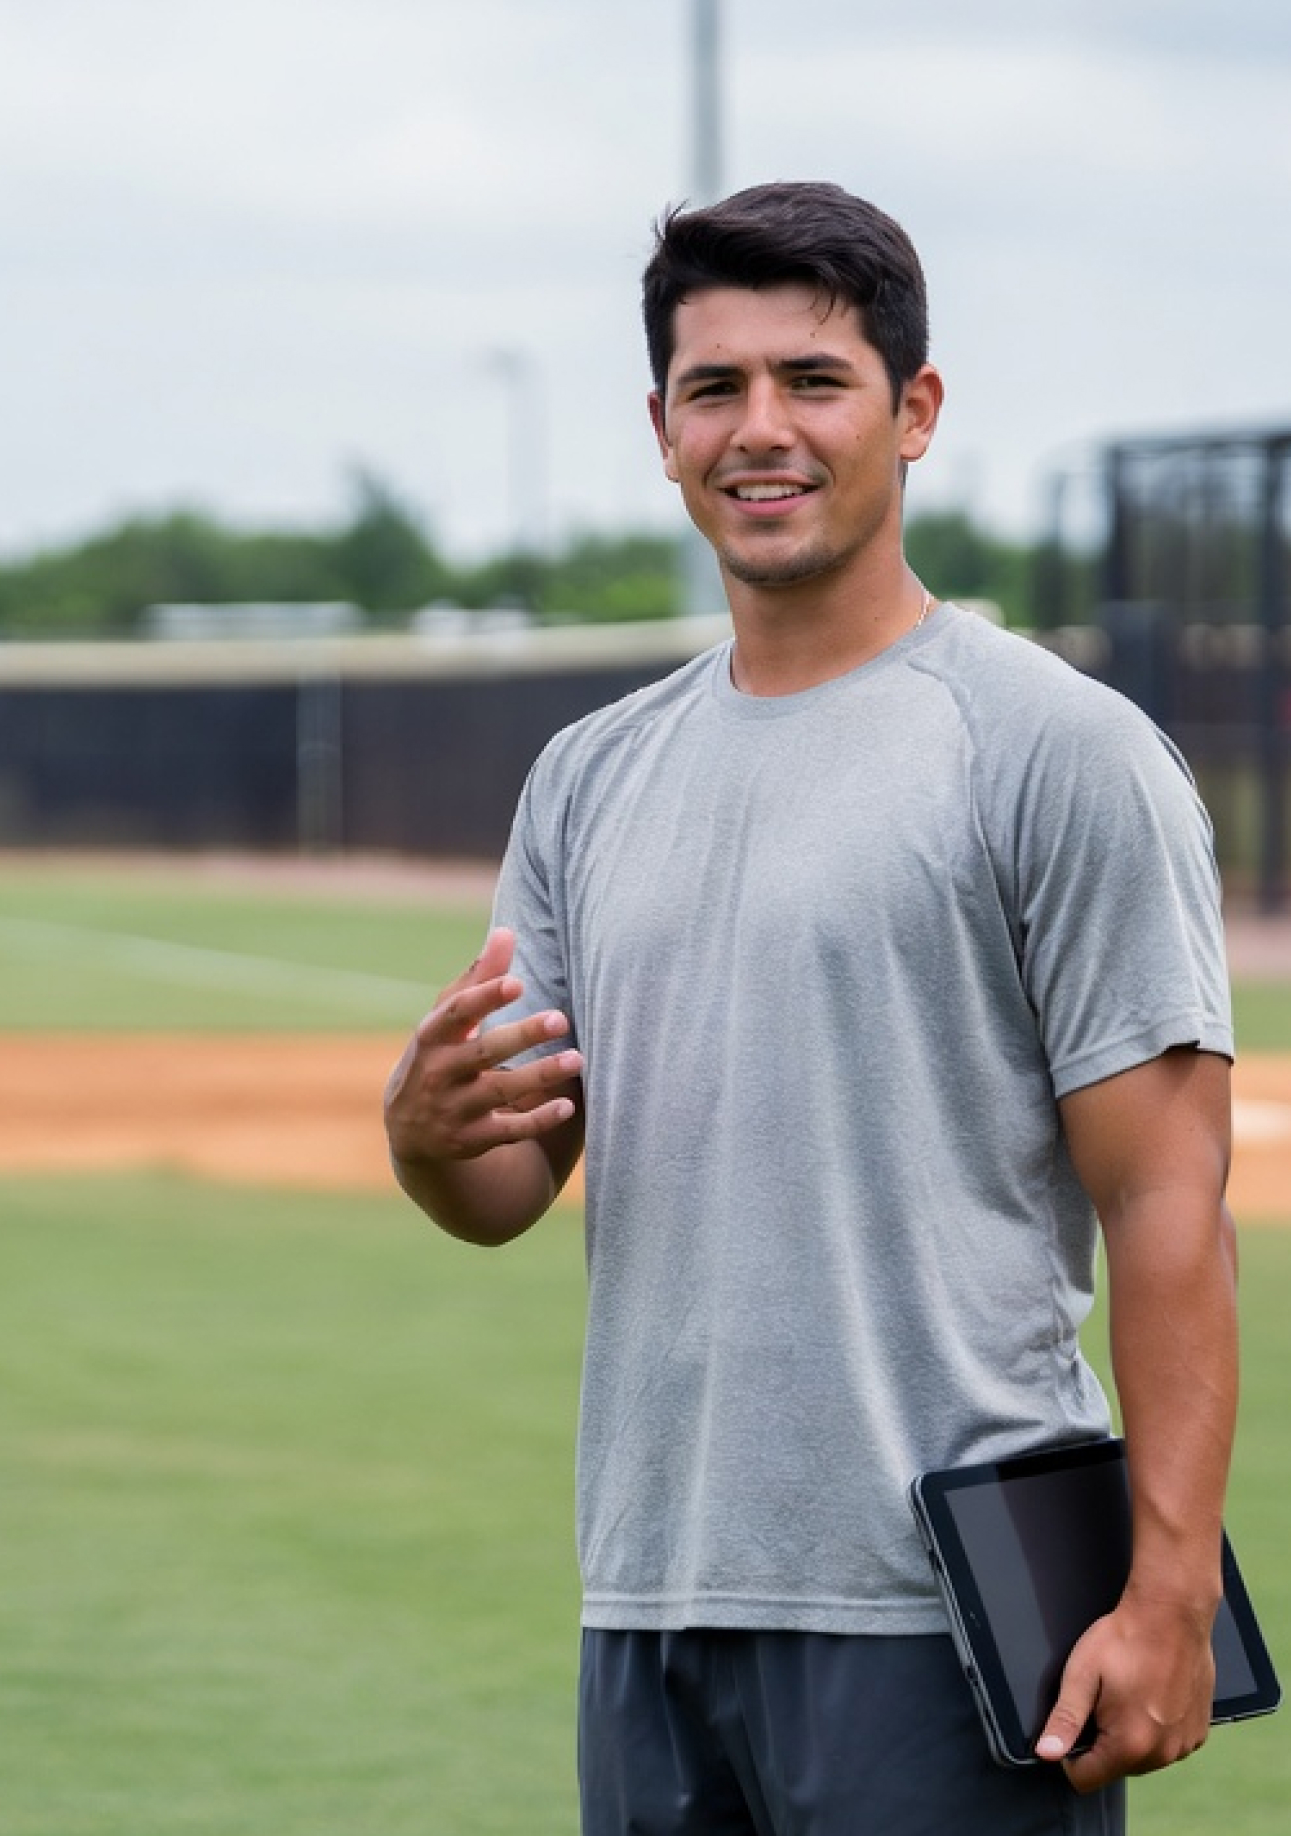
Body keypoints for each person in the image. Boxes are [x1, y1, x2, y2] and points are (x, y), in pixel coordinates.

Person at [383, 181, 1238, 1835]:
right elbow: (502, 1192)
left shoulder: (1051, 749)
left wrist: (1169, 1590)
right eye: (714, 388)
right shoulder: (586, 778)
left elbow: (1167, 1192)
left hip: (942, 1618)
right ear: (658, 425)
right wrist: (421, 1141)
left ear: (912, 411)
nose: (757, 429)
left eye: (812, 380)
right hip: (648, 1596)